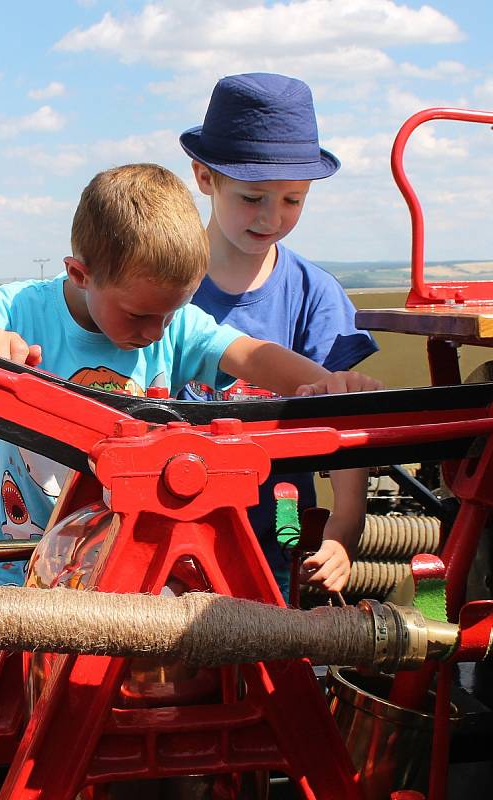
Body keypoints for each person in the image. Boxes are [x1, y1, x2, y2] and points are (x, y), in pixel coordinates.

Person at [0, 162, 381, 586]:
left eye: (169, 314)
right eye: (138, 315)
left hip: (123, 570)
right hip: (12, 563)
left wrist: (325, 384)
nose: (155, 332)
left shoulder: (179, 327)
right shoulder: (19, 309)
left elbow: (253, 356)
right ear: (80, 274)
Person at [178, 73, 379, 598]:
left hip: (279, 543)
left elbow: (346, 425)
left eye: (292, 200)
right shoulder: (159, 289)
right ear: (204, 178)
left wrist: (343, 530)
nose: (272, 217)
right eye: (252, 198)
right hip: (167, 537)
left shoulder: (316, 295)